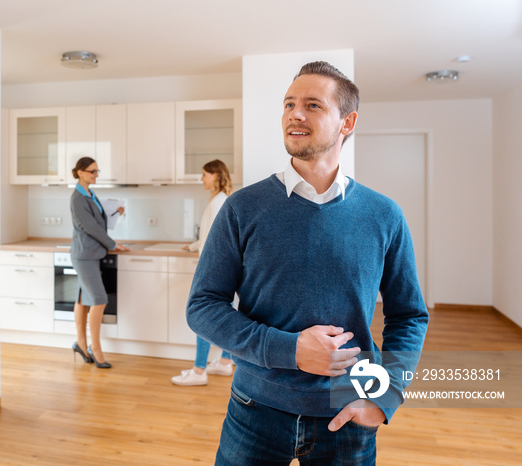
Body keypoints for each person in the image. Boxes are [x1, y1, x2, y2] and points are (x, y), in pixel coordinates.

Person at [186, 61, 429, 465]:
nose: (294, 114)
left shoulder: (383, 215)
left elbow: (409, 316)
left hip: (346, 413)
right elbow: (202, 307)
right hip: (255, 409)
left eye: (312, 105)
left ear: (347, 122)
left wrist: (388, 395)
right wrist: (290, 350)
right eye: (288, 104)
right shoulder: (242, 208)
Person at [171, 159, 234, 386]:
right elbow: (209, 235)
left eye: (205, 174)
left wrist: (204, 259)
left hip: (214, 269)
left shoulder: (218, 202)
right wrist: (194, 245)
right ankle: (225, 362)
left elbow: (216, 240)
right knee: (224, 317)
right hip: (220, 268)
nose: (202, 179)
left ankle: (199, 371)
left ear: (215, 176)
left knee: (202, 316)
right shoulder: (219, 200)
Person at [70, 157, 128, 369]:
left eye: (97, 171)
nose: (96, 174)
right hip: (84, 255)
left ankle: (81, 344)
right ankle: (96, 347)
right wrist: (114, 244)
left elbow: (99, 223)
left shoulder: (90, 194)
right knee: (99, 299)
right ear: (79, 172)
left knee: (83, 299)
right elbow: (91, 228)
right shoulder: (78, 198)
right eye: (92, 171)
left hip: (91, 254)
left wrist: (114, 213)